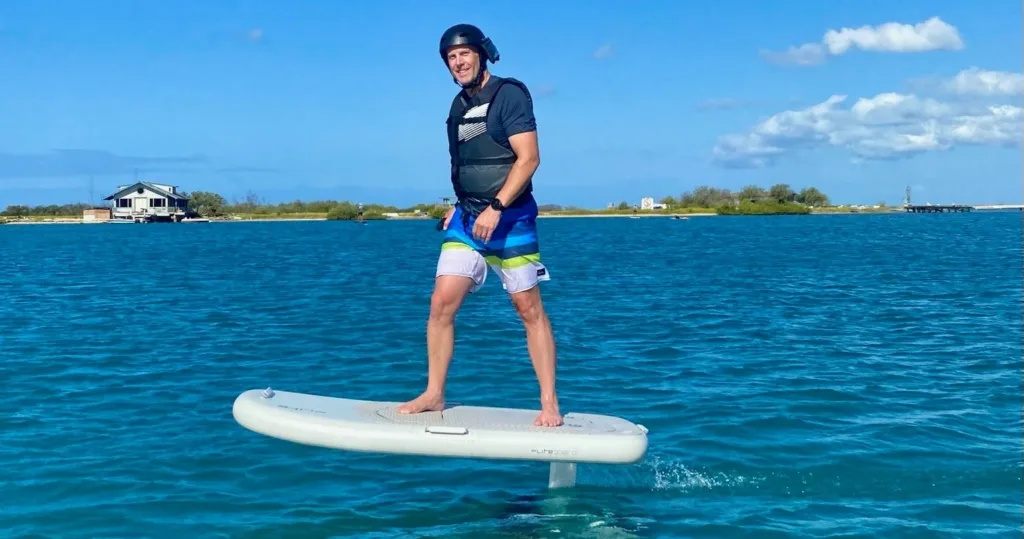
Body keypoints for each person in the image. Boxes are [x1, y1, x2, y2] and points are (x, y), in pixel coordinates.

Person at [396, 23, 563, 427]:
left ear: (482, 54)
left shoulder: (509, 96)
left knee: (527, 309)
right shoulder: (458, 106)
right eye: (451, 58)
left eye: (464, 54)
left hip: (510, 217)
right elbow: (470, 164)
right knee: (440, 304)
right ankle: (435, 394)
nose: (458, 62)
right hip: (467, 220)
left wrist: (496, 207)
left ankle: (549, 403)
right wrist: (461, 206)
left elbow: (529, 159)